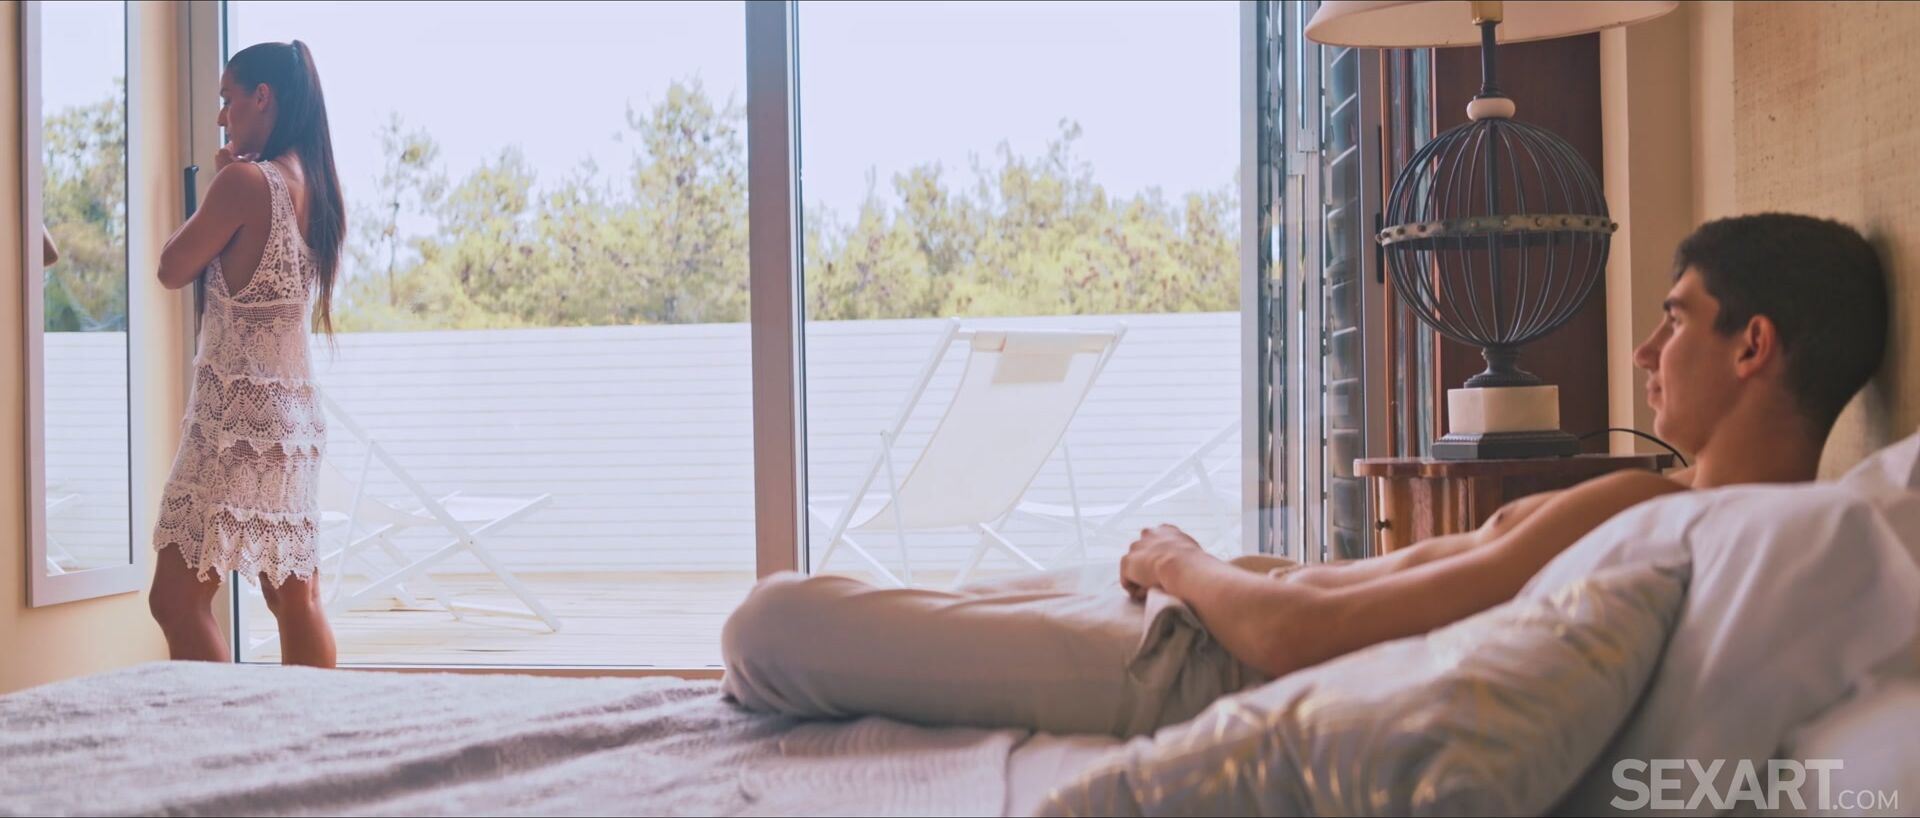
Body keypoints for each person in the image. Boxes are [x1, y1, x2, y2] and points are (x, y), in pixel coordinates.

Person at [720, 212, 1890, 737]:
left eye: (1675, 318)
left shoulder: (1665, 512)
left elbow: (1300, 638)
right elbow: (1365, 598)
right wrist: (1220, 570)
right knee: (863, 612)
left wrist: (1186, 562)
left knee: (769, 621)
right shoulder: (1706, 520)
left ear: (1753, 345)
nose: (1643, 351)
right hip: (1202, 622)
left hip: (1197, 663)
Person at [148, 40, 346, 668]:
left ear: (263, 97)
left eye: (227, 98)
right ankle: (314, 725)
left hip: (235, 422)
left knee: (175, 600)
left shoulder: (244, 182)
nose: (221, 115)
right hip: (292, 421)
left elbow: (171, 267)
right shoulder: (313, 184)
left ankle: (228, 721)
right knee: (295, 598)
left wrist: (219, 183)